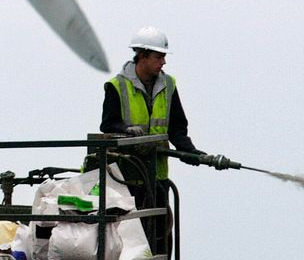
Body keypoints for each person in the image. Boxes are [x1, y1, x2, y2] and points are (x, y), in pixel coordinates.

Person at [98, 27, 236, 184]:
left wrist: (190, 152)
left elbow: (176, 128)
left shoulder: (168, 85)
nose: (163, 62)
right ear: (142, 55)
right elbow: (108, 124)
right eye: (159, 57)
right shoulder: (117, 86)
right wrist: (124, 130)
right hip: (125, 177)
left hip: (157, 177)